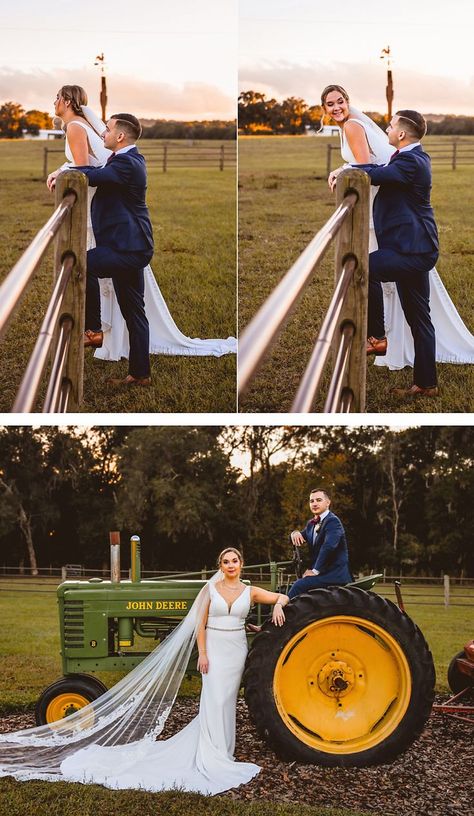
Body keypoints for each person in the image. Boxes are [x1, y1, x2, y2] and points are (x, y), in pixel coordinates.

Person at [0, 547, 288, 796]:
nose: (231, 565)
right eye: (226, 562)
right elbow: (199, 625)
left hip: (236, 650)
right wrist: (202, 653)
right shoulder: (211, 589)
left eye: (235, 561)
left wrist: (277, 606)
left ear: (241, 564)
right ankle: (211, 751)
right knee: (213, 699)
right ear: (220, 566)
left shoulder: (250, 591)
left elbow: (283, 598)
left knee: (226, 701)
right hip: (214, 649)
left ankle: (223, 751)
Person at [47, 85, 236, 377]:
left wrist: (63, 171)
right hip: (129, 247)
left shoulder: (124, 164)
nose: (103, 134)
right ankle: (139, 374)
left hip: (128, 249)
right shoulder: (126, 159)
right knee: (135, 312)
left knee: (78, 264)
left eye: (107, 130)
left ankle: (93, 328)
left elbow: (92, 175)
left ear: (120, 137)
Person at [321, 84, 474, 382]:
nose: (386, 131)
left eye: (391, 127)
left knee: (361, 267)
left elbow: (373, 172)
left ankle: (376, 334)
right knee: (420, 318)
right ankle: (426, 383)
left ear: (401, 135)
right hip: (414, 248)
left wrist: (343, 171)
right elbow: (378, 169)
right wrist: (347, 167)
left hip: (413, 251)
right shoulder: (413, 157)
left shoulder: (408, 163)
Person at [288, 488, 352, 599]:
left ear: (328, 502)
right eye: (311, 501)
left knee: (299, 586)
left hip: (334, 575)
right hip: (323, 574)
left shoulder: (333, 521)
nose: (314, 504)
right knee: (291, 586)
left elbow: (329, 546)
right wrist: (294, 533)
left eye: (318, 500)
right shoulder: (311, 524)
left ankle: (282, 613)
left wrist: (315, 571)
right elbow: (300, 536)